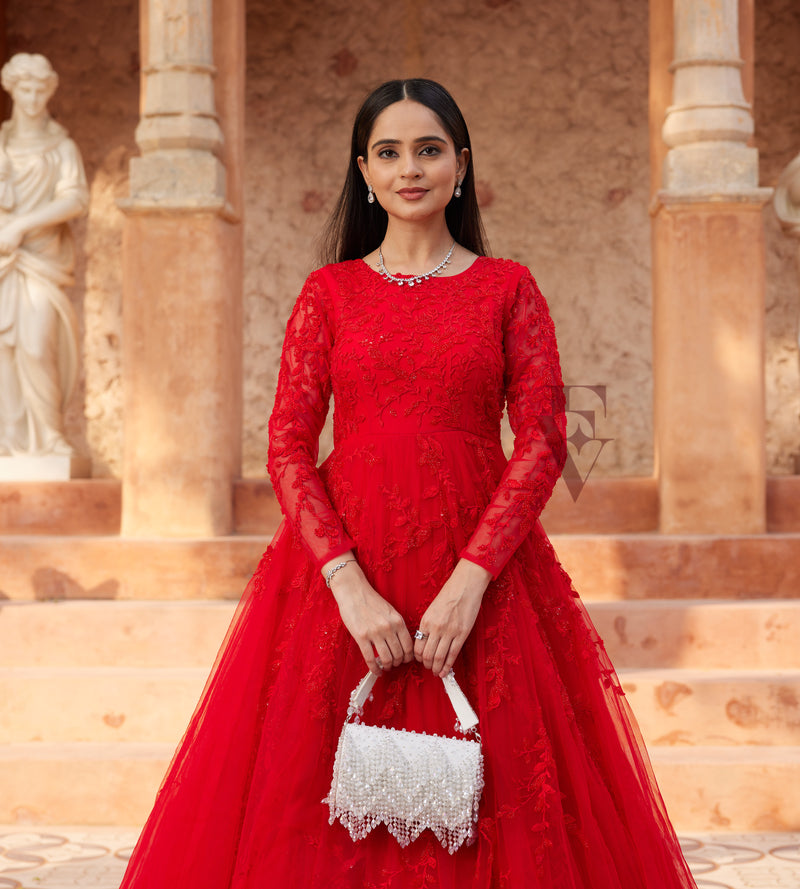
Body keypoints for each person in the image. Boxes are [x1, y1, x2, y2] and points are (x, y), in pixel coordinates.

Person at [119, 79, 697, 888]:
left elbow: (544, 443)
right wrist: (346, 581)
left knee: (495, 809)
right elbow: (286, 446)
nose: (409, 168)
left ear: (461, 166)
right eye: (388, 152)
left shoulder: (509, 288)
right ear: (364, 171)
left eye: (429, 150)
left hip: (485, 581)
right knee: (322, 810)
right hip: (343, 578)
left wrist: (471, 580)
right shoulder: (328, 294)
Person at [0, 53, 88, 456]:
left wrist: (21, 226)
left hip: (40, 262)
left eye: (40, 90)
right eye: (25, 90)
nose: (33, 98)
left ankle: (51, 435)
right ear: (11, 90)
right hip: (3, 261)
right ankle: (11, 440)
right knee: (4, 353)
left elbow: (74, 198)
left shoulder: (61, 146)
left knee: (36, 345)